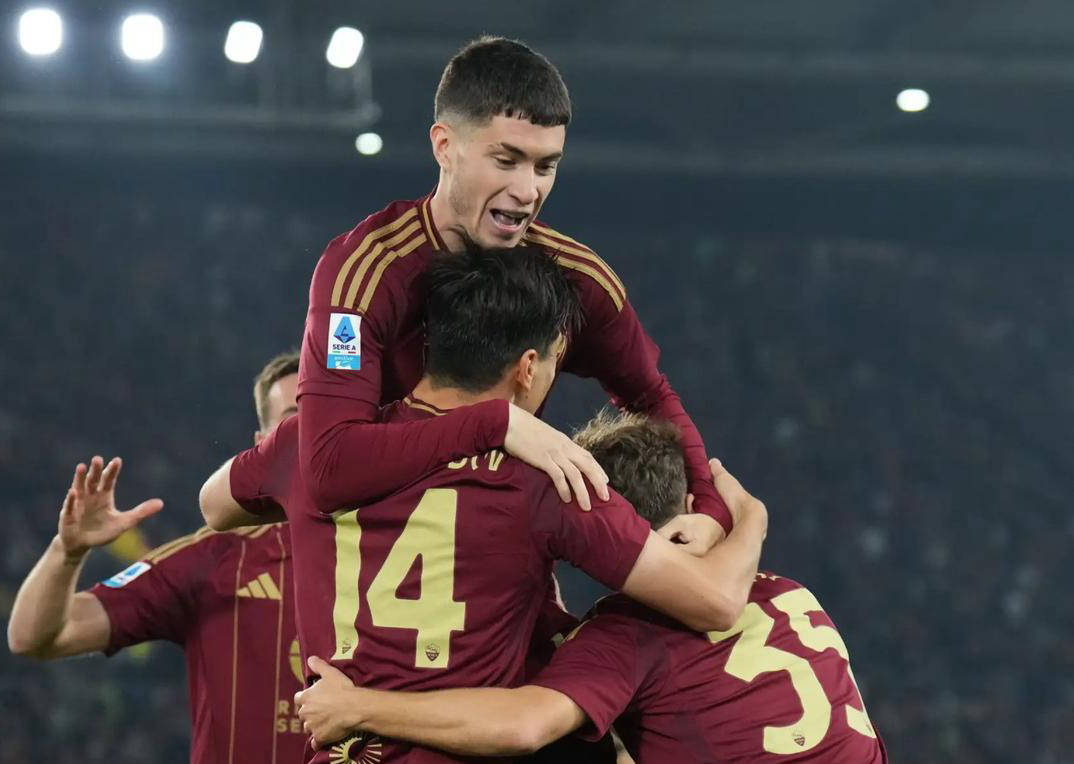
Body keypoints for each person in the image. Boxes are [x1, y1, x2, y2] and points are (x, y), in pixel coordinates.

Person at [202, 246, 767, 763]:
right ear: (528, 366)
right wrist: (751, 518)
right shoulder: (549, 475)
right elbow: (715, 603)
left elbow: (214, 505)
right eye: (555, 361)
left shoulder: (308, 448)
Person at [290, 35, 731, 548]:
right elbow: (329, 470)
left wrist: (711, 511)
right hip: (368, 569)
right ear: (444, 146)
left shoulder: (576, 278)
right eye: (507, 160)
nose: (528, 191)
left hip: (499, 565)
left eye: (546, 166)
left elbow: (650, 395)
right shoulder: (365, 274)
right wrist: (494, 425)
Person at [294, 412, 886, 764]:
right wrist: (752, 516)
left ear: (596, 534)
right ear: (687, 504)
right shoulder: (791, 594)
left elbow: (524, 726)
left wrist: (359, 706)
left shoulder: (626, 635)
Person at [7, 352, 307, 764]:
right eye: (293, 420)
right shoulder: (214, 561)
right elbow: (34, 637)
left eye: (325, 414)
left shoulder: (392, 554)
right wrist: (68, 551)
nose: (311, 430)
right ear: (262, 445)